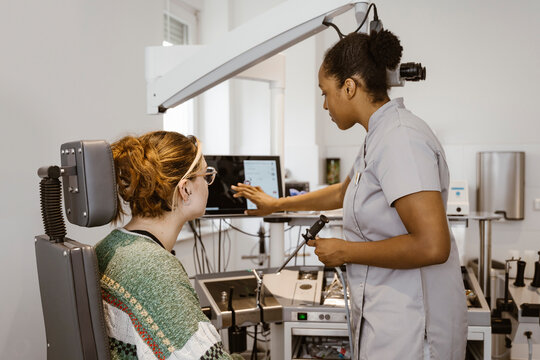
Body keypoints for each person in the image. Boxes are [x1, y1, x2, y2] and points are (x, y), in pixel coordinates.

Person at [232, 30, 467, 360]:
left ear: (349, 86)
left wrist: (346, 251)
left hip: (415, 328)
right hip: (391, 321)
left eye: (325, 93)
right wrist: (277, 204)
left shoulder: (400, 138)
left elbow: (432, 245)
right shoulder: (379, 135)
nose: (324, 104)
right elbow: (344, 192)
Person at [95, 131, 241, 360]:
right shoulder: (153, 268)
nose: (209, 184)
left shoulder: (111, 245)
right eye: (206, 175)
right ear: (186, 189)